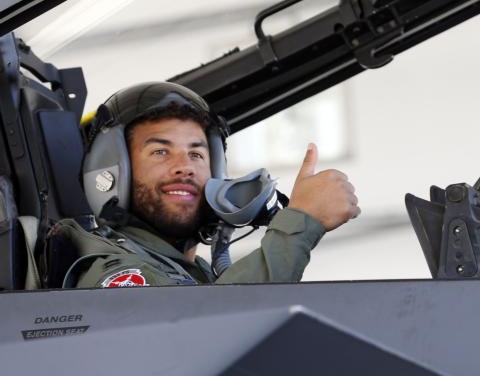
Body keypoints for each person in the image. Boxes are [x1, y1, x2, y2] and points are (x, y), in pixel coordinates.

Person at [56, 82, 359, 288]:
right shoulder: (115, 274)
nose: (185, 167)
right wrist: (301, 223)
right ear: (114, 172)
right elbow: (202, 335)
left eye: (197, 153)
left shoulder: (188, 272)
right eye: (160, 152)